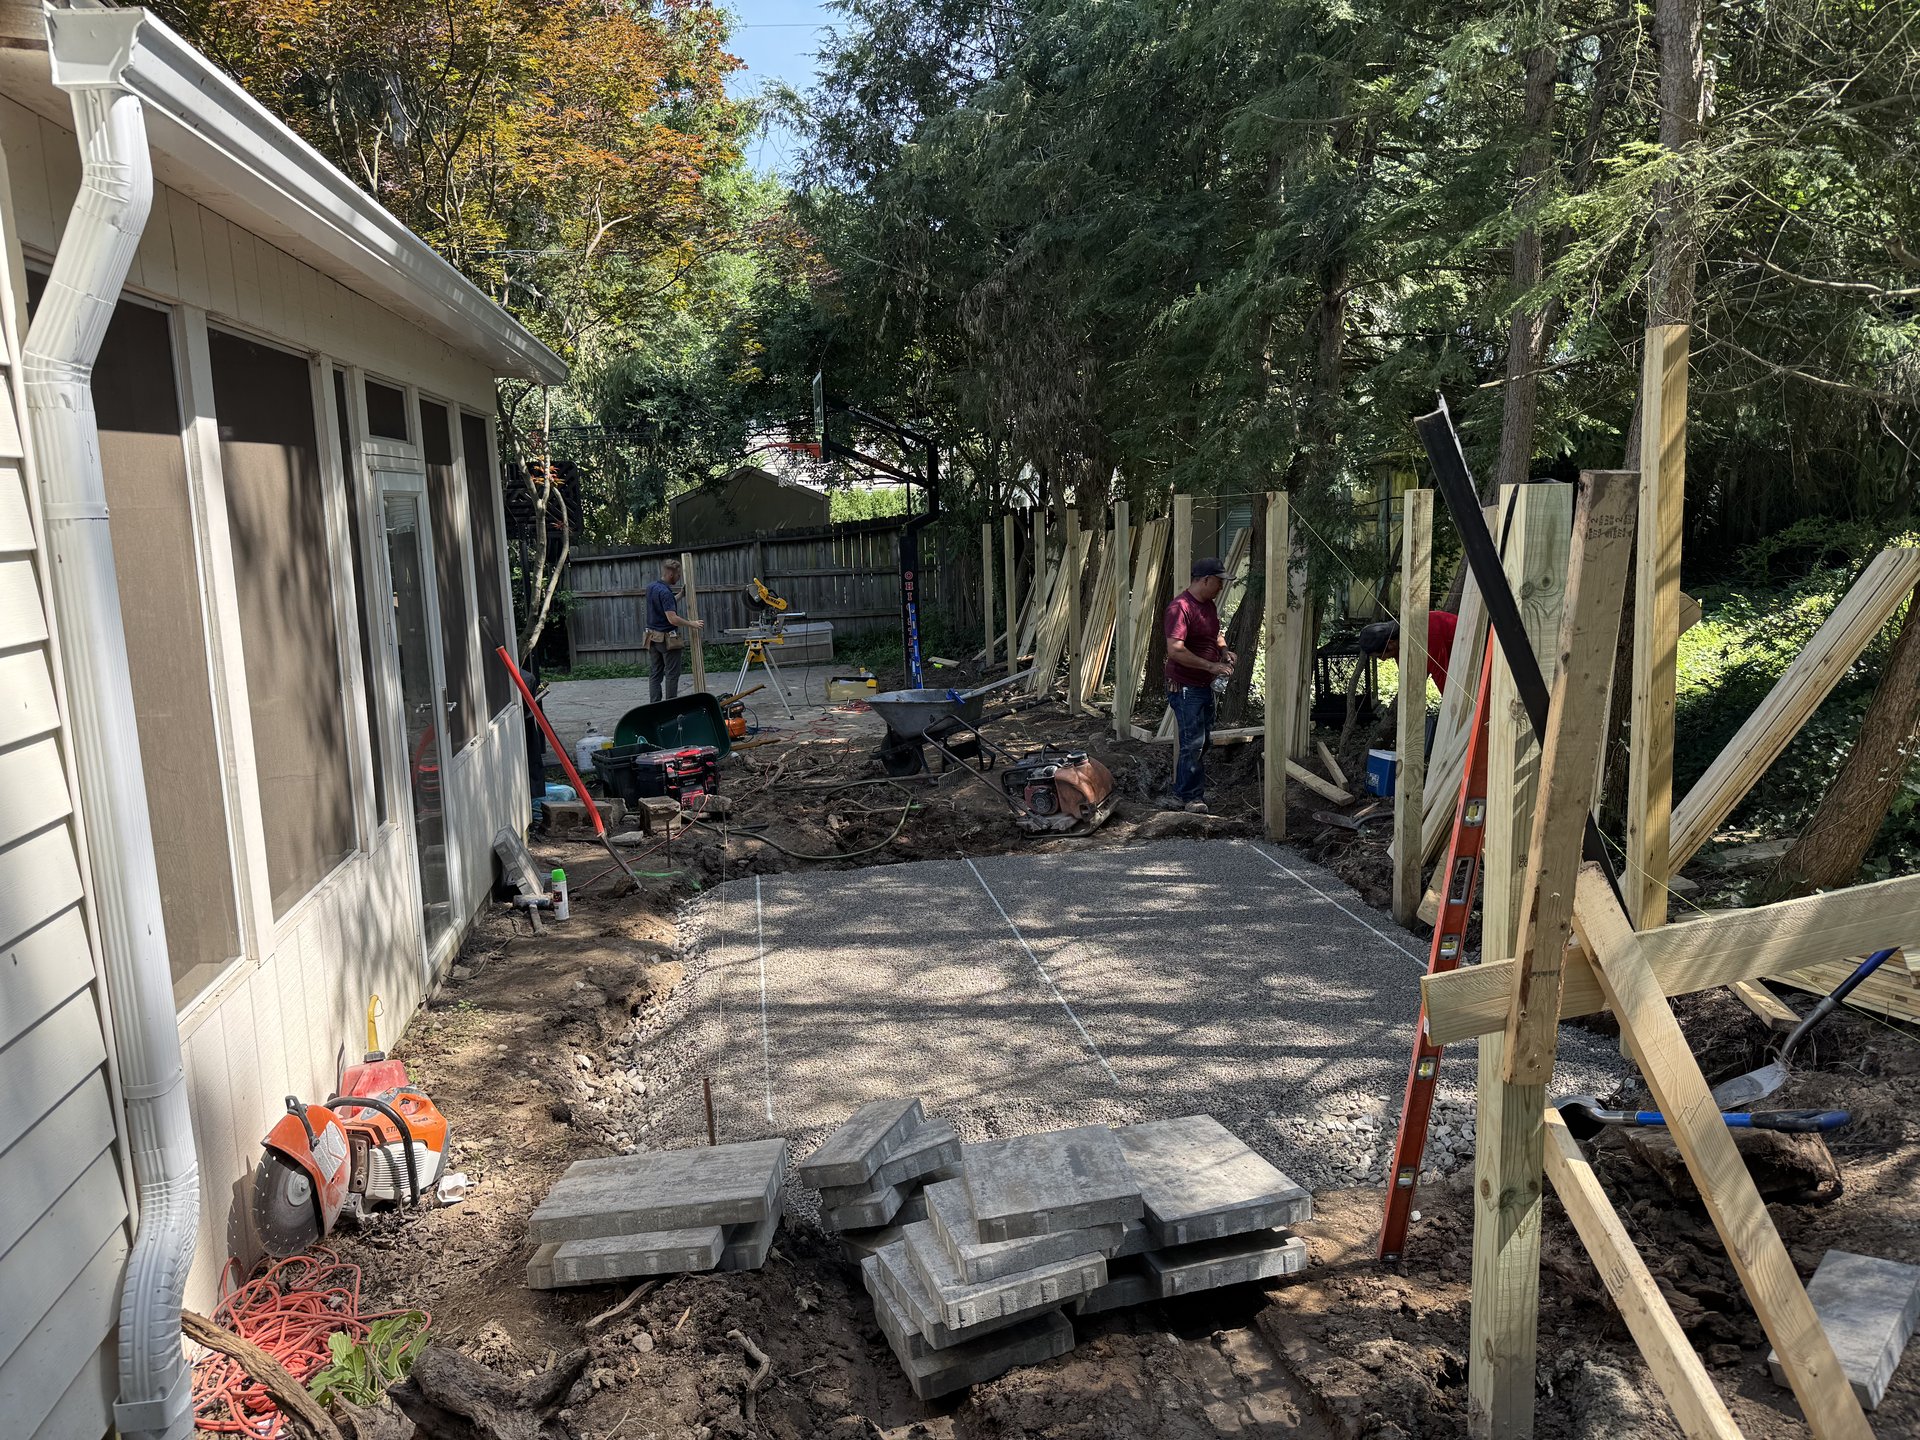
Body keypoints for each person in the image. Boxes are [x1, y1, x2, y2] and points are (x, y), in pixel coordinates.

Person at [1163, 557, 1237, 812]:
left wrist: (1224, 651)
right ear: (1205, 580)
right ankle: (1187, 797)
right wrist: (1211, 666)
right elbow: (1175, 650)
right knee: (1192, 742)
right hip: (1186, 687)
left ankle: (1191, 790)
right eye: (1218, 582)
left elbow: (1216, 634)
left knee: (1203, 741)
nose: (1221, 587)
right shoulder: (1180, 608)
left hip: (1203, 686)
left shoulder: (1209, 606)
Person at [644, 558, 704, 703]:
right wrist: (692, 624)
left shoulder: (652, 587)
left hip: (651, 637)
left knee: (655, 674)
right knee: (671, 674)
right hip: (666, 641)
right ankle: (670, 707)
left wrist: (681, 595)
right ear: (671, 575)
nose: (679, 578)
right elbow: (672, 618)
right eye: (678, 575)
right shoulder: (665, 592)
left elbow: (666, 605)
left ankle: (655, 706)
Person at [1357, 612, 1459, 695]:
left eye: (1380, 656)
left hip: (1468, 649)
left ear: (1390, 643)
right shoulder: (1399, 642)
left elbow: (1442, 676)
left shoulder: (1425, 636)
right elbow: (1411, 681)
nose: (1383, 660)